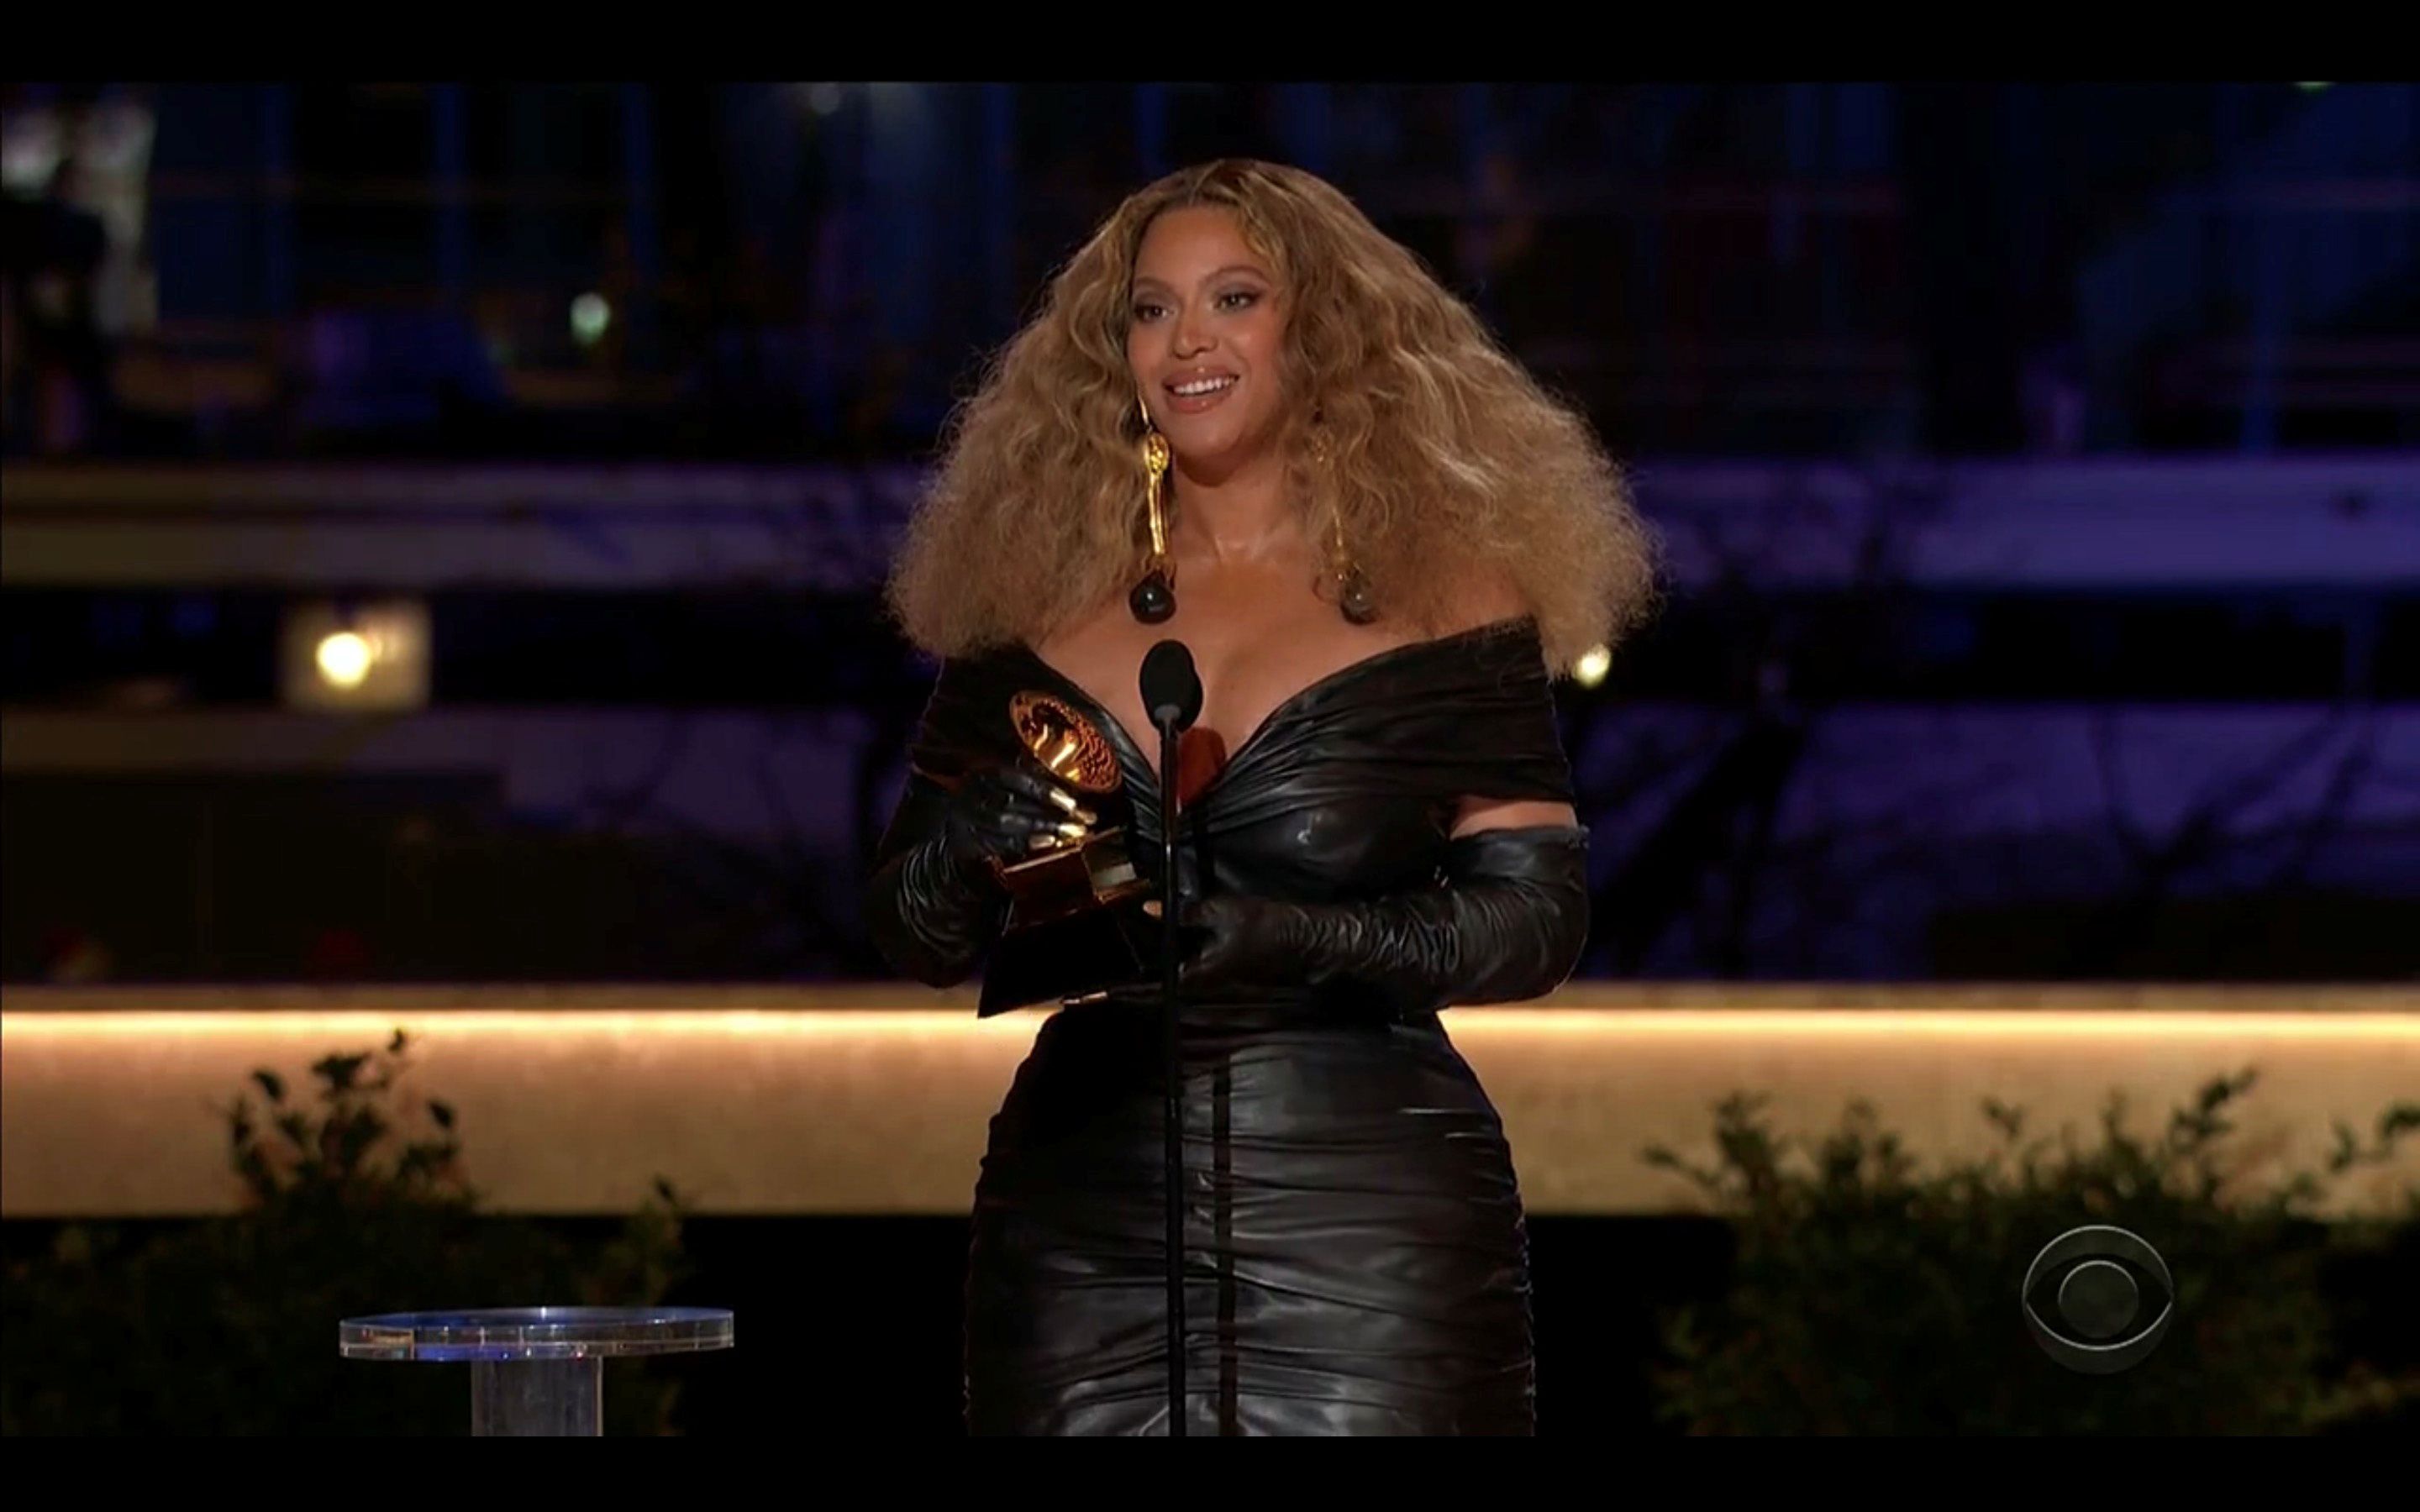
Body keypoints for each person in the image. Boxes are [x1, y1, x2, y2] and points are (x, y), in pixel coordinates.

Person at [864, 160, 1655, 1436]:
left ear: (1322, 331)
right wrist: (958, 847)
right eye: (1150, 310)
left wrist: (1290, 939)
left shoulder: (1446, 592)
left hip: (1366, 1225)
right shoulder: (1029, 593)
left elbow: (1535, 923)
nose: (1187, 341)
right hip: (1082, 1226)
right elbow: (915, 934)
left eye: (1234, 299)